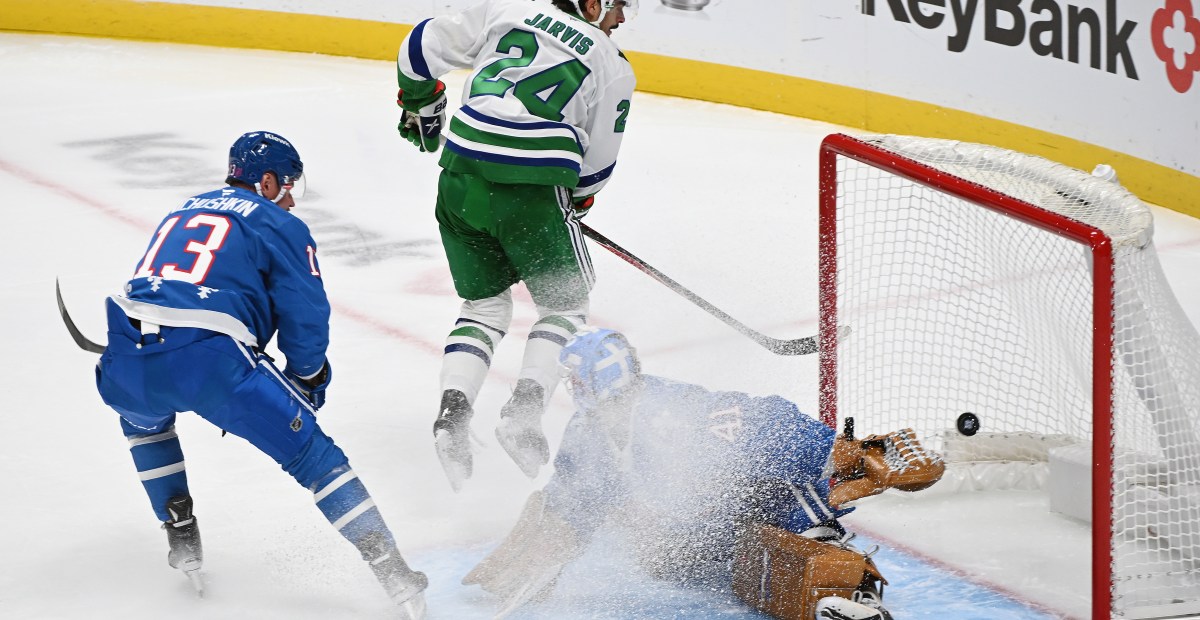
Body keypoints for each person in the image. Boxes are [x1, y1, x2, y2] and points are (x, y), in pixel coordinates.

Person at [93, 131, 428, 618]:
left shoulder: (183, 208)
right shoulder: (277, 222)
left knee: (144, 423)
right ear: (266, 181)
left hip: (124, 352)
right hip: (208, 355)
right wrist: (310, 375)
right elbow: (305, 311)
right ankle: (394, 573)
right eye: (287, 185)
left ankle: (181, 535)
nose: (290, 197)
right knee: (316, 458)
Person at [460, 328, 947, 619]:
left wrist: (845, 454)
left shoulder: (674, 410)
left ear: (597, 378)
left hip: (749, 504)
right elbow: (573, 501)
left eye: (576, 378)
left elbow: (768, 424)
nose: (570, 387)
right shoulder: (588, 430)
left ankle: (838, 576)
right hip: (695, 539)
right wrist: (536, 557)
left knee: (786, 516)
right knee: (652, 546)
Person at [394, 0, 638, 490]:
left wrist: (419, 101)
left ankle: (452, 413)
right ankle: (523, 414)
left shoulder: (506, 9)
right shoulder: (611, 62)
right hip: (534, 185)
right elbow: (596, 167)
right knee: (566, 306)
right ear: (591, 5)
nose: (622, 18)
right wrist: (574, 203)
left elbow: (419, 47)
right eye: (617, 6)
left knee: (482, 306)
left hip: (460, 173)